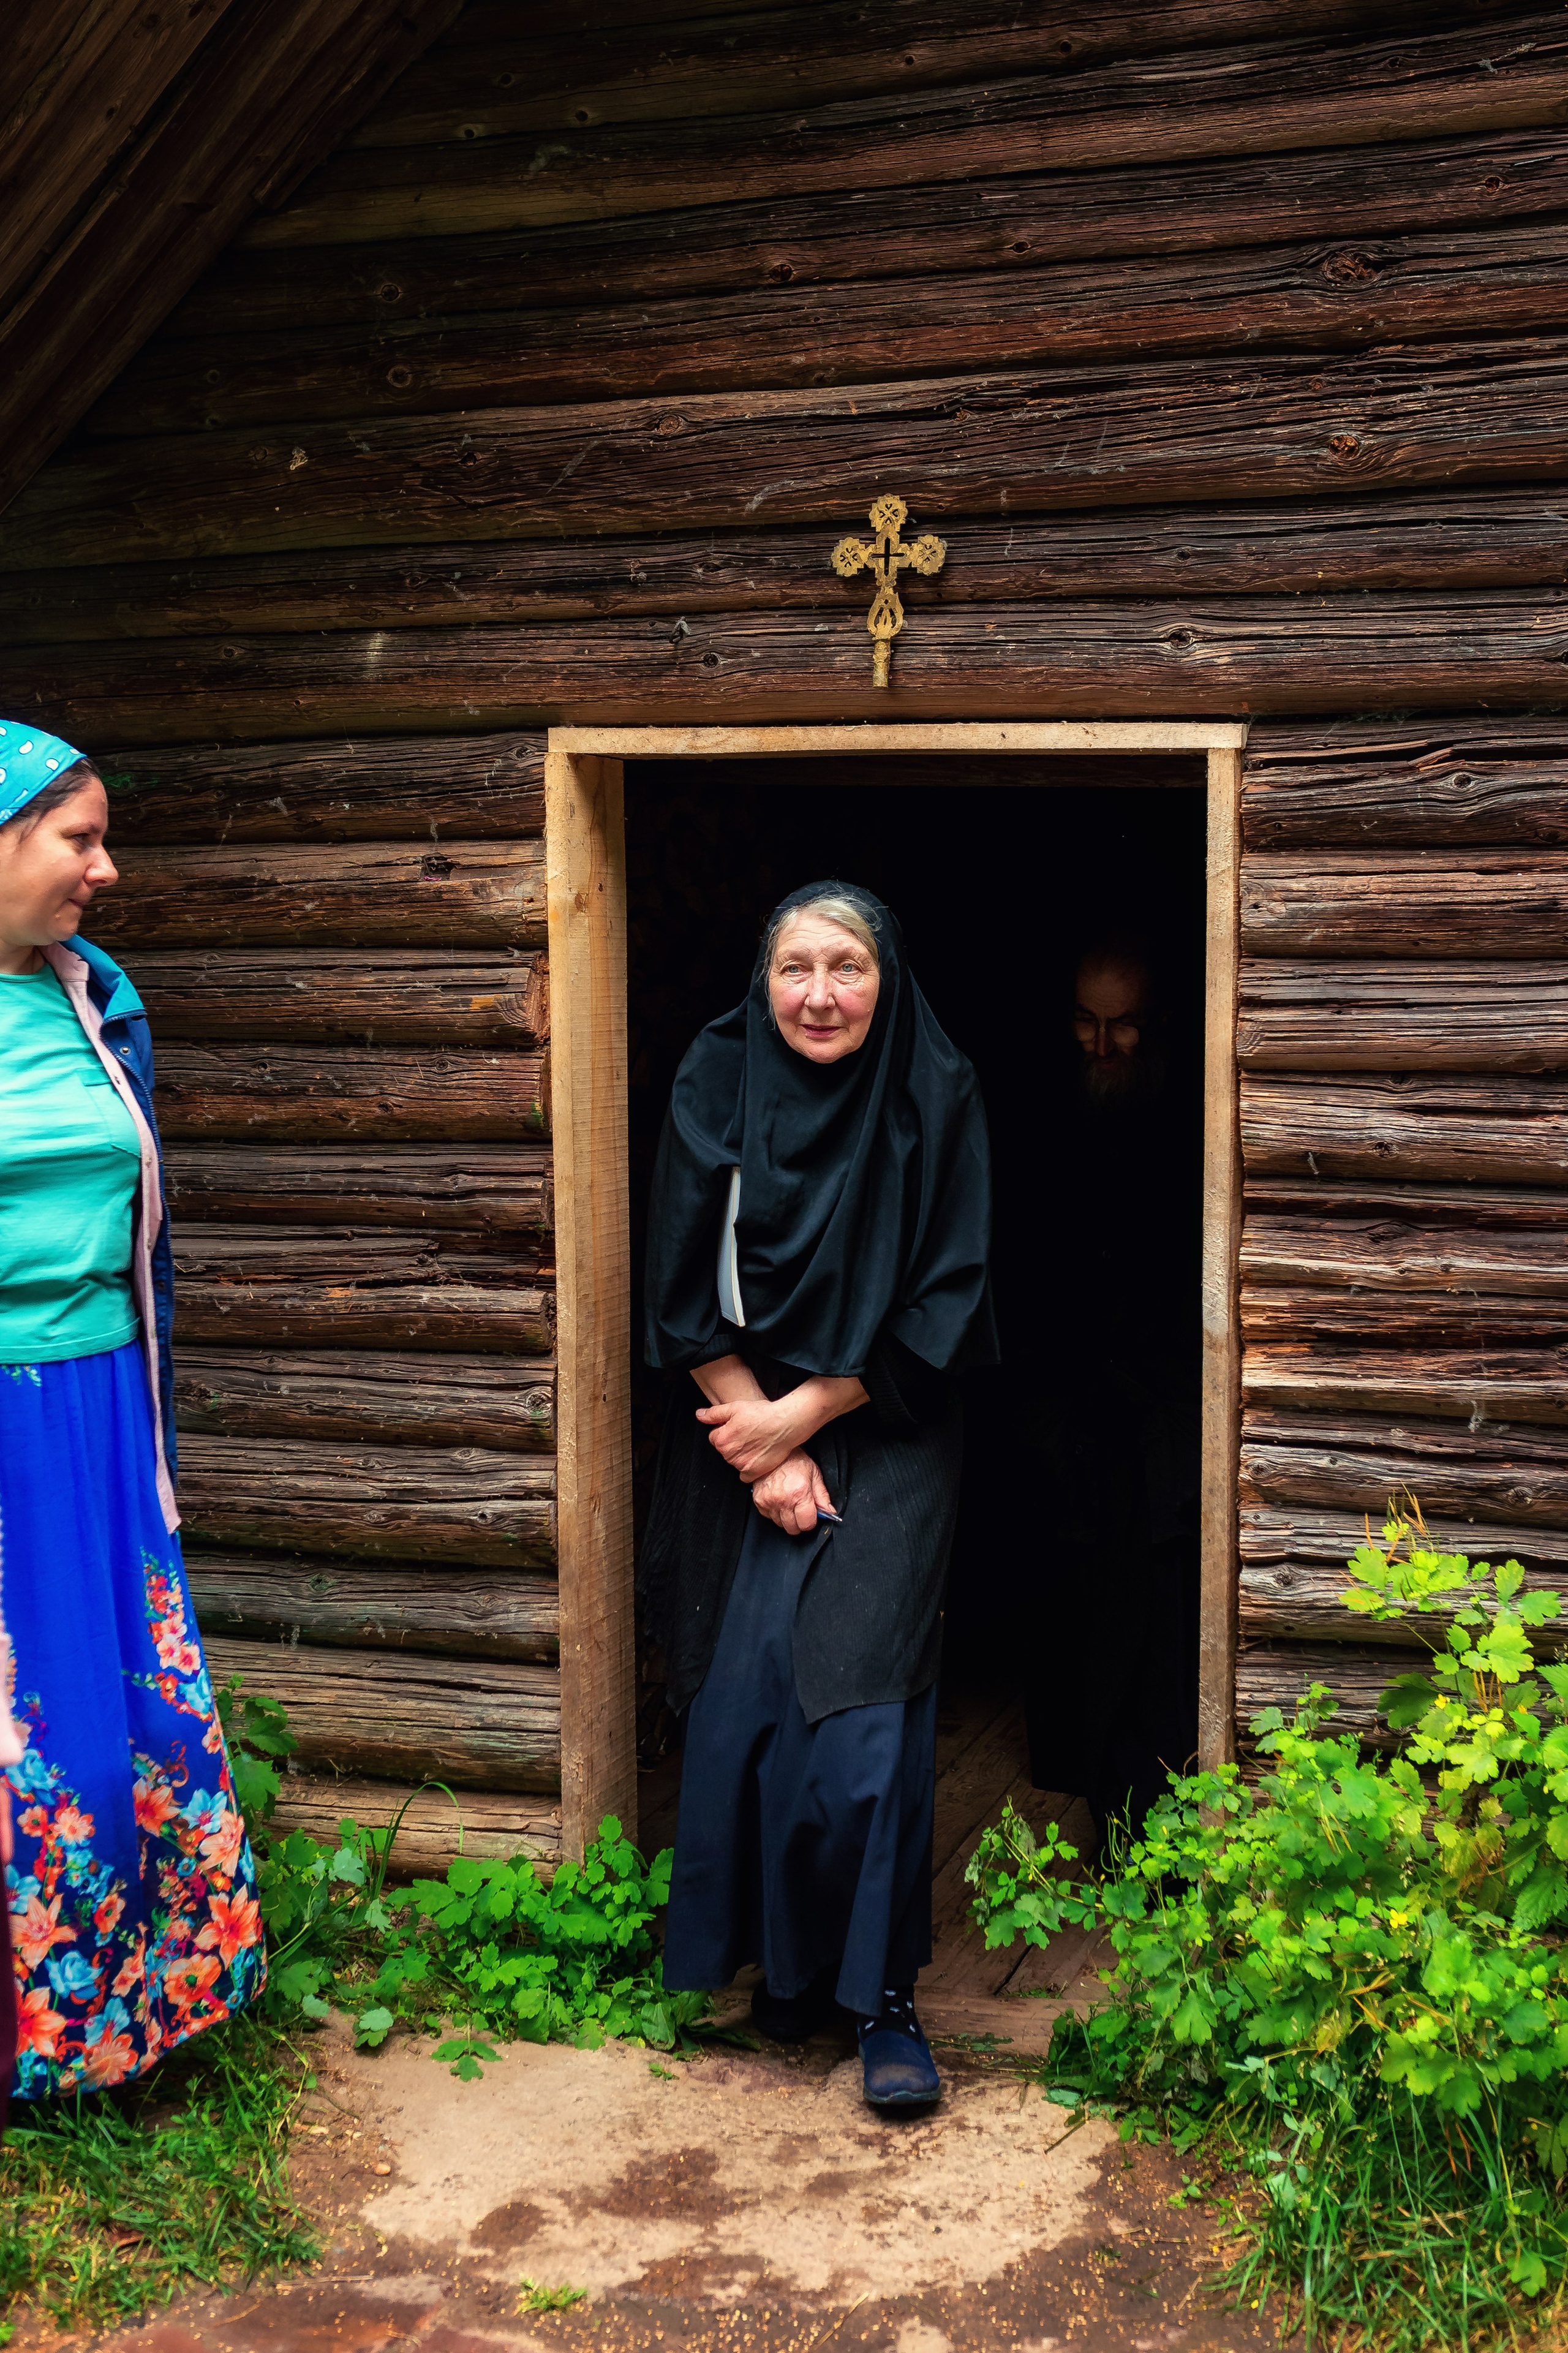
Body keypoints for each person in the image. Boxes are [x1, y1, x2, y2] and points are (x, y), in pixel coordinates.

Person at [639, 882, 997, 2109]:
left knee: (857, 1724)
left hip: (886, 1418)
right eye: (796, 967)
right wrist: (763, 1438)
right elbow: (678, 1283)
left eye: (845, 967)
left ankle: (879, 2001)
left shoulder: (931, 1092)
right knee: (743, 1709)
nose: (819, 995)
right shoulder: (715, 1074)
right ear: (763, 975)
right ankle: (785, 1979)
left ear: (883, 979)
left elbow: (947, 1298)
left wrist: (808, 1414)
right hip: (736, 1419)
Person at [0, 721, 263, 2099]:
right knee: (21, 1733)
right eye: (77, 838)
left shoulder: (96, 995)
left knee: (128, 1725)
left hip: (101, 1410)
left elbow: (138, 1227)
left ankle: (128, 2015)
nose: (106, 869)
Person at [1022, 933, 1201, 1848]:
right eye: (1085, 1024)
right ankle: (1087, 1785)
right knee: (1073, 1611)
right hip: (1069, 1408)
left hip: (1164, 1414)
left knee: (1154, 1627)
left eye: (1122, 1027)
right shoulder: (1047, 1110)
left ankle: (1151, 1838)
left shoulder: (1186, 1114)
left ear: (1157, 1022)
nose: (1099, 1047)